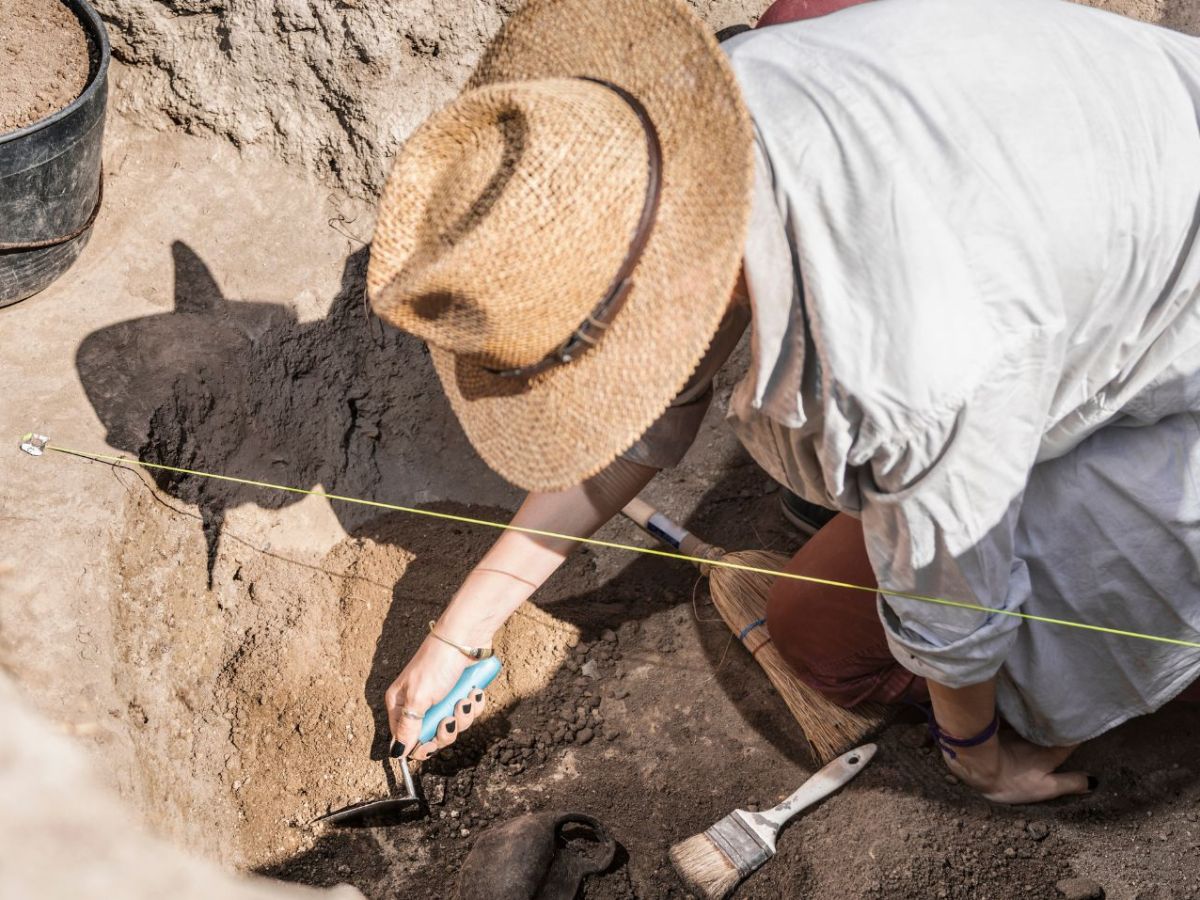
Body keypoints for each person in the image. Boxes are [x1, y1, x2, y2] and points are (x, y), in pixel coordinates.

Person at [367, 0, 1200, 805]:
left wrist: (978, 755)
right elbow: (637, 427)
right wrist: (460, 631)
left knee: (828, 643)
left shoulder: (906, 367)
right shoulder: (723, 105)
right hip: (1102, 202)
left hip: (1160, 373)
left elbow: (955, 599)